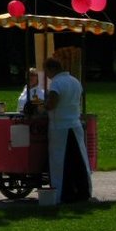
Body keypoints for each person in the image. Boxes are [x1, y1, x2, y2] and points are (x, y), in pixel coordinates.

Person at [44, 56, 92, 204]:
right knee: (78, 159)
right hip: (75, 124)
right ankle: (83, 190)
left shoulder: (56, 83)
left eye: (46, 71)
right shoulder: (75, 81)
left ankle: (64, 193)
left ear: (52, 69)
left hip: (60, 126)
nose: (46, 75)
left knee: (61, 161)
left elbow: (52, 104)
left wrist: (43, 106)